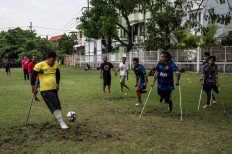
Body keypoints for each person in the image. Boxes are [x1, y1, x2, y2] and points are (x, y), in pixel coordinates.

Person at [31, 52, 69, 130]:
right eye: (52, 60)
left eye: (55, 60)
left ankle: (58, 118)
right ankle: (62, 123)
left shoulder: (55, 64)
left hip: (53, 89)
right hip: (45, 90)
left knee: (57, 104)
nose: (54, 62)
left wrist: (57, 84)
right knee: (55, 105)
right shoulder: (39, 65)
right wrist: (33, 87)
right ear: (47, 58)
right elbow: (33, 76)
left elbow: (58, 74)